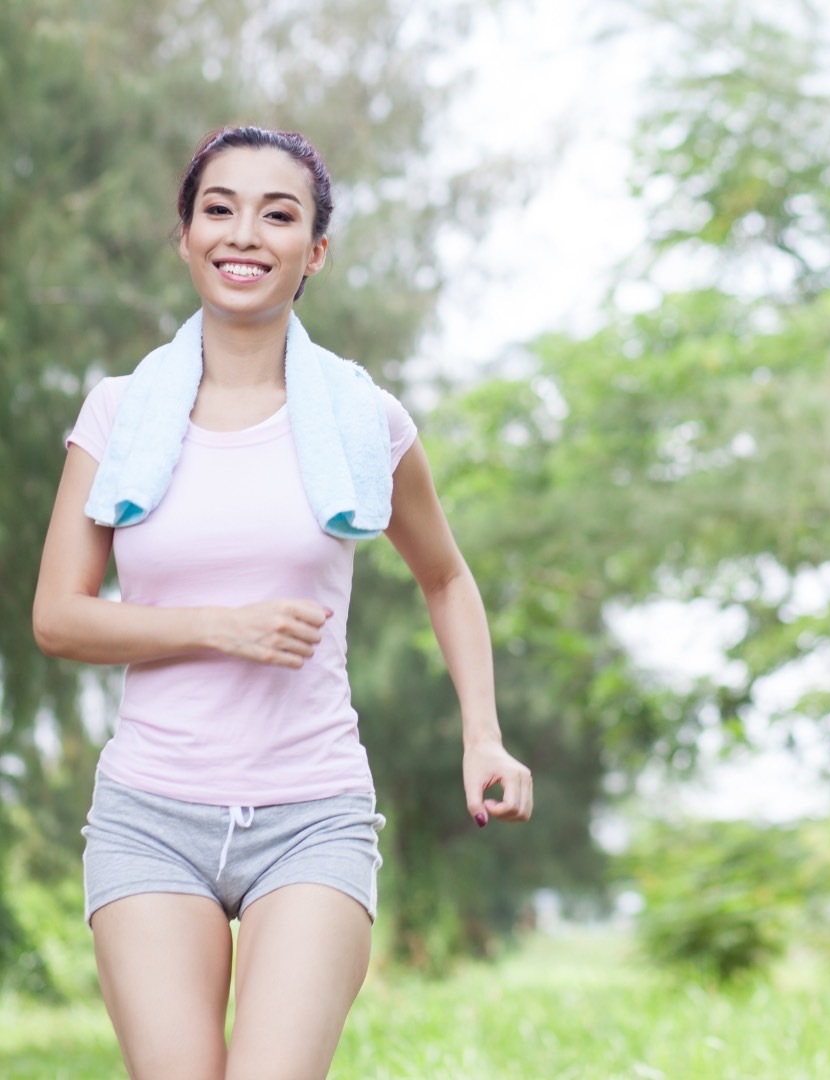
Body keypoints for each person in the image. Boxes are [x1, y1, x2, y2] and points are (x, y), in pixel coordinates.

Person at [32, 125, 533, 1080]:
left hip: (312, 810)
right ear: (184, 235)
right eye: (218, 209)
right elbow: (59, 617)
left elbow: (446, 577)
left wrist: (483, 735)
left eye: (279, 213)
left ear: (316, 250)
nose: (244, 234)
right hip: (151, 811)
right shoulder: (121, 412)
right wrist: (220, 628)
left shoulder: (362, 417)